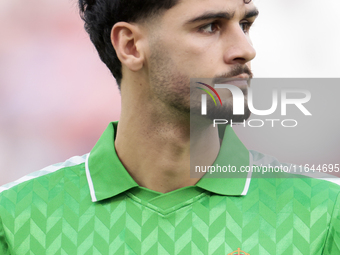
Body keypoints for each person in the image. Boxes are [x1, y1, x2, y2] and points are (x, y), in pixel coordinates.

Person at [0, 0, 339, 254]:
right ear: (130, 46)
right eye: (210, 26)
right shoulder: (14, 219)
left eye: (245, 25)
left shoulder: (326, 213)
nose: (245, 50)